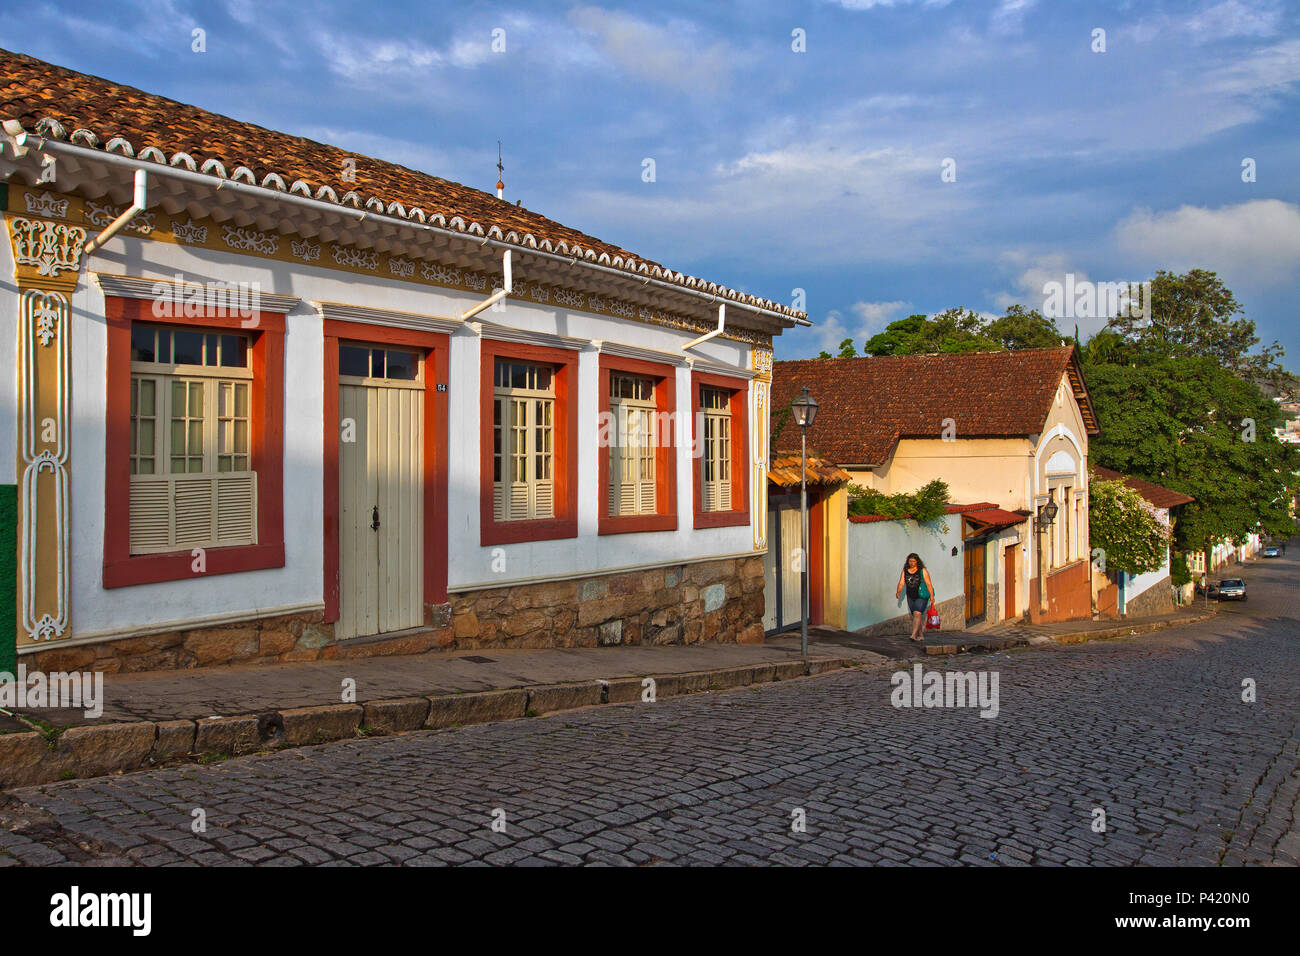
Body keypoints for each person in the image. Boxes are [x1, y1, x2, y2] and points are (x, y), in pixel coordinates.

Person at [895, 552, 936, 643]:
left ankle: (913, 635)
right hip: (910, 596)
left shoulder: (922, 571)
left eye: (913, 561)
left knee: (917, 614)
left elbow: (929, 584)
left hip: (921, 596)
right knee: (916, 615)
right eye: (910, 561)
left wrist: (932, 596)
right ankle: (921, 635)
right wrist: (898, 591)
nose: (912, 563)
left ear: (917, 561)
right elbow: (902, 582)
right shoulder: (905, 571)